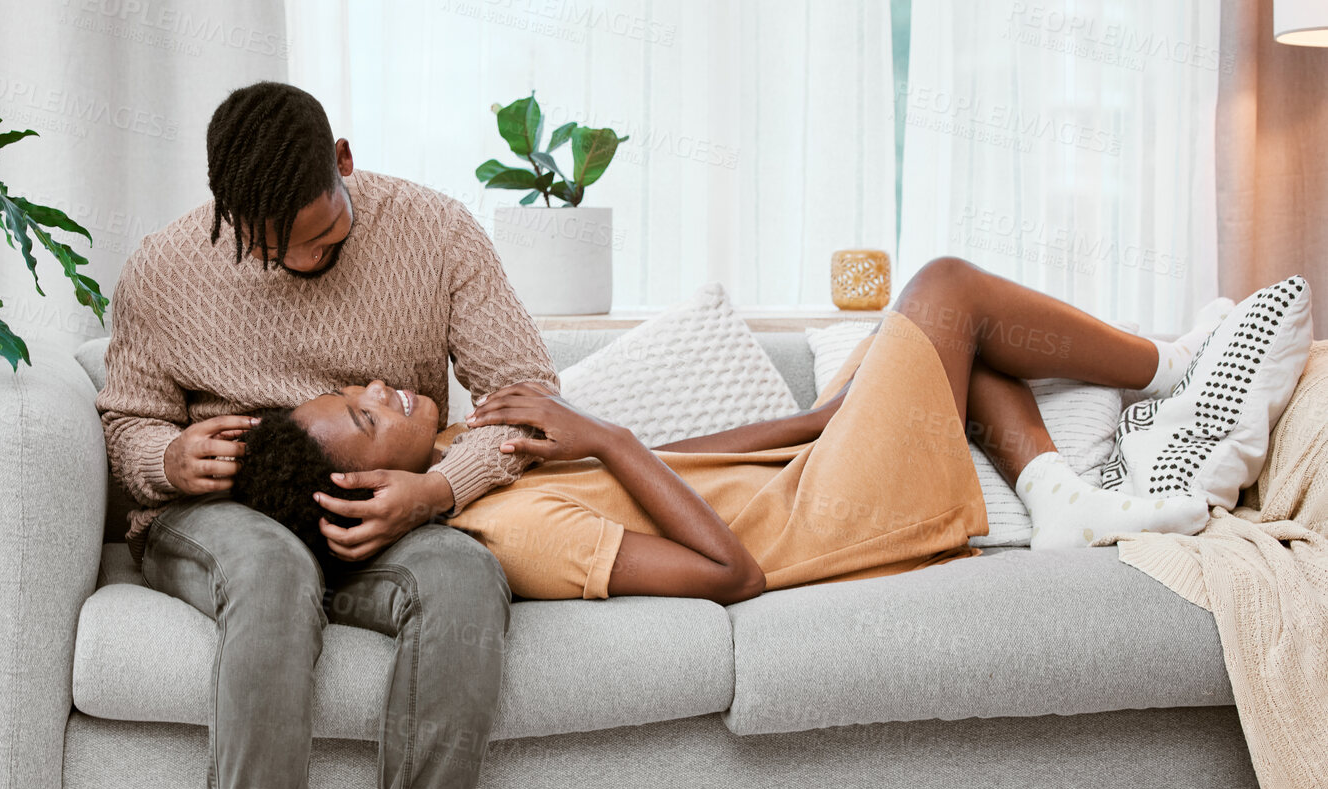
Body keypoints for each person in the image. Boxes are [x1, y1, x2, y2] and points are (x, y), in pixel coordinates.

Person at [97, 82, 555, 789]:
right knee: (271, 570)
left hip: (386, 505)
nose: (289, 257)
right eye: (260, 241)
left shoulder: (435, 232)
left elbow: (528, 402)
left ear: (342, 161)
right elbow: (125, 425)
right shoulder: (164, 267)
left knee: (465, 574)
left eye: (315, 234)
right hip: (227, 511)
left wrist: (439, 488)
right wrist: (168, 455)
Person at [233, 258, 1219, 604]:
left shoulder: (470, 463)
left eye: (358, 387)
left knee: (945, 342)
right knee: (946, 287)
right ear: (360, 493)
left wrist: (817, 418)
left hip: (815, 472)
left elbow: (686, 468)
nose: (379, 386)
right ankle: (1177, 365)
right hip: (830, 525)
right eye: (363, 416)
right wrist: (605, 436)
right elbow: (729, 576)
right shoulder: (516, 537)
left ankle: (1064, 504)